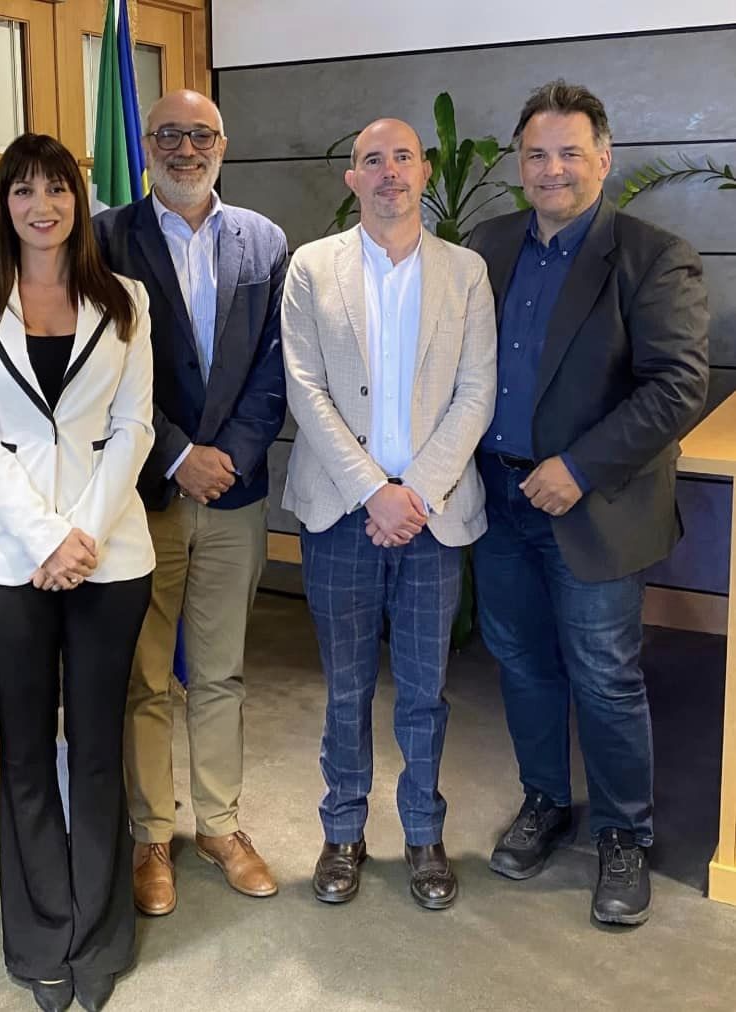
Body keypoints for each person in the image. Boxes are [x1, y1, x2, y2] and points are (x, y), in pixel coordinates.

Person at [467, 81, 709, 927]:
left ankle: (623, 834)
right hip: (500, 499)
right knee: (522, 663)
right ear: (519, 164)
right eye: (537, 154)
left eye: (570, 153)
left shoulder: (653, 256)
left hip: (593, 504)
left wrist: (578, 465)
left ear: (604, 160)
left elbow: (677, 384)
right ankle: (544, 801)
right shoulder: (487, 245)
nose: (553, 169)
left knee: (605, 676)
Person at [0, 132, 154, 1012]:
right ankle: (40, 936)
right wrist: (44, 539)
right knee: (25, 750)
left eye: (58, 188)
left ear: (78, 199)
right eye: (25, 190)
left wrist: (83, 537)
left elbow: (136, 426)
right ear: (6, 204)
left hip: (110, 556)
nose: (43, 206)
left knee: (98, 748)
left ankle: (98, 935)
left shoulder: (126, 299)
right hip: (8, 559)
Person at [282, 118, 496, 910]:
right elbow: (305, 388)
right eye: (372, 160)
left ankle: (423, 834)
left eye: (403, 157)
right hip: (342, 512)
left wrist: (416, 492)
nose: (389, 172)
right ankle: (342, 832)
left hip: (431, 520)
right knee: (345, 690)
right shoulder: (312, 268)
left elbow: (477, 392)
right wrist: (375, 490)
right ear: (353, 179)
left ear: (424, 170)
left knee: (423, 692)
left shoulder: (465, 272)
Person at [92, 89, 288, 915]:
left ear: (223, 144)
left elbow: (278, 364)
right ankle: (151, 835)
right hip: (145, 493)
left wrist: (228, 456)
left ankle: (220, 825)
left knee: (220, 671)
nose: (185, 148)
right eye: (168, 134)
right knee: (144, 676)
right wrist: (177, 455)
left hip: (235, 493)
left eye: (201, 134)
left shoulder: (265, 241)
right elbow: (101, 366)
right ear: (146, 145)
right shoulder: (104, 238)